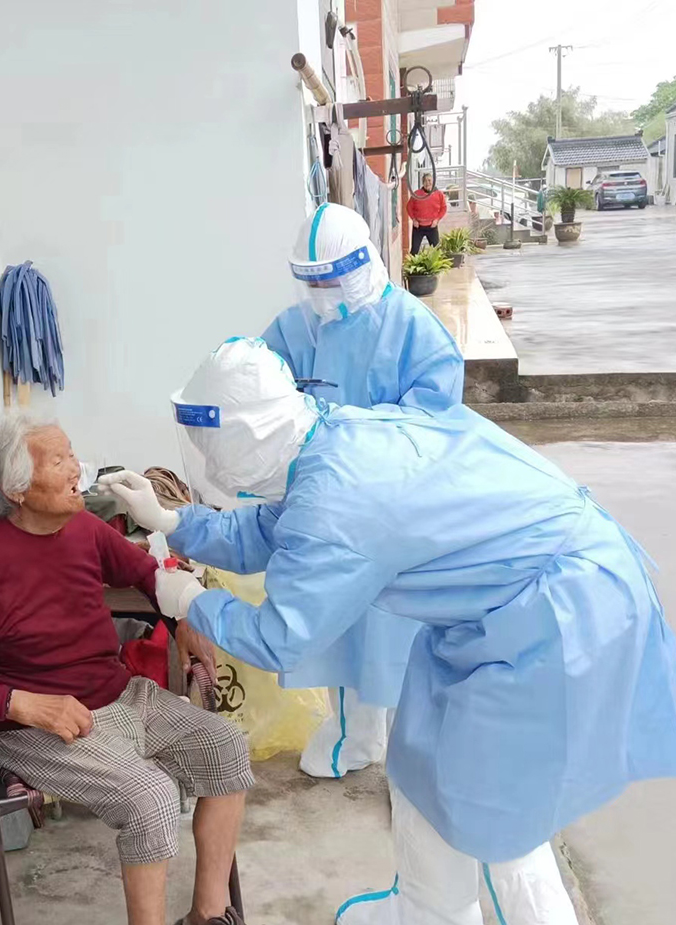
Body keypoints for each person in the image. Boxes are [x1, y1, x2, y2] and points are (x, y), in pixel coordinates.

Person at [104, 338, 676, 925]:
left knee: (498, 806)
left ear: (242, 437)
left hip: (554, 614)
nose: (204, 457)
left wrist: (186, 600)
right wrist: (177, 522)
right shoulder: (330, 439)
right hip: (495, 610)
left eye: (209, 443)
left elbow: (281, 636)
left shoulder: (340, 496)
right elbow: (279, 526)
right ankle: (435, 914)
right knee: (423, 755)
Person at [0, 414, 272, 925]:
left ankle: (206, 922)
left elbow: (146, 573)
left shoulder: (82, 527)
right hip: (37, 727)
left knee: (224, 746)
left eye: (72, 453)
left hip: (118, 694)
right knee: (150, 796)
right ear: (17, 490)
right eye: (58, 461)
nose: (77, 468)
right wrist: (24, 704)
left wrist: (186, 616)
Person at [130, 201, 461, 781]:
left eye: (333, 279)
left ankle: (398, 735)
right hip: (325, 495)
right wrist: (173, 520)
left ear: (363, 265)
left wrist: (189, 600)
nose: (324, 293)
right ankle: (356, 732)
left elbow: (433, 428)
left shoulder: (415, 332)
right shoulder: (293, 329)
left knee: (395, 633)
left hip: (390, 507)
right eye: (312, 282)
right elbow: (249, 404)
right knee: (337, 627)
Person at [406, 172, 447, 253]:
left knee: (436, 250)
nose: (427, 183)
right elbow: (409, 207)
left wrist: (437, 220)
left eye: (429, 180)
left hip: (432, 226)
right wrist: (414, 219)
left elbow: (444, 208)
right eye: (425, 181)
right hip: (418, 227)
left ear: (433, 181)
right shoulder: (417, 194)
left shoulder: (439, 194)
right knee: (414, 250)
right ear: (422, 183)